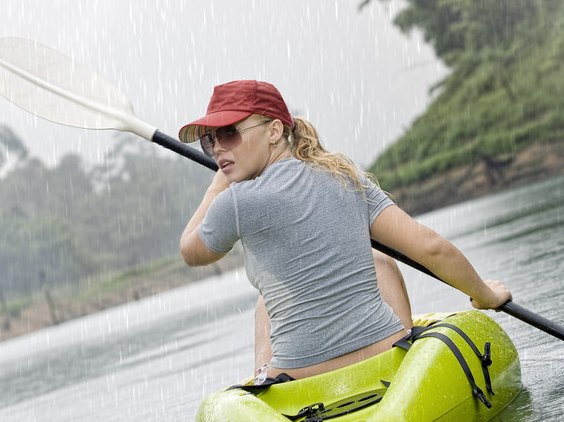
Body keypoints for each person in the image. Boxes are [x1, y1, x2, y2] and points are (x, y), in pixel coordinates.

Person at [179, 80, 511, 381]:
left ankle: (264, 380)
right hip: (384, 355)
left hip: (299, 379)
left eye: (229, 134)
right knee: (380, 258)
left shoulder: (233, 202)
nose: (219, 148)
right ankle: (405, 346)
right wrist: (485, 294)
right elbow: (430, 247)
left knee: (264, 305)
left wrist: (216, 187)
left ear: (274, 131)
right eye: (210, 142)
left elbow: (190, 252)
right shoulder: (345, 176)